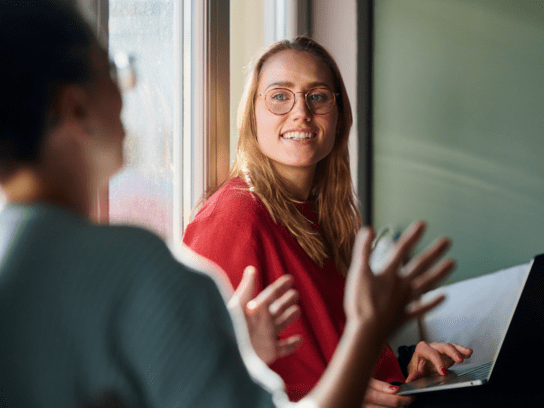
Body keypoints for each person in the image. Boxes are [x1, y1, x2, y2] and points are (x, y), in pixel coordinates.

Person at [0, 2, 454, 408]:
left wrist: (396, 354)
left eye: (317, 97)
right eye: (116, 74)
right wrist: (365, 333)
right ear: (76, 108)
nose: (301, 112)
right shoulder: (144, 262)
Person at [183, 36, 472, 406]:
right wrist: (345, 393)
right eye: (279, 95)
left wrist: (404, 363)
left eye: (317, 96)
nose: (301, 111)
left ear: (338, 117)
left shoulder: (327, 220)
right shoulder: (234, 216)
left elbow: (330, 349)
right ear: (252, 115)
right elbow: (200, 383)